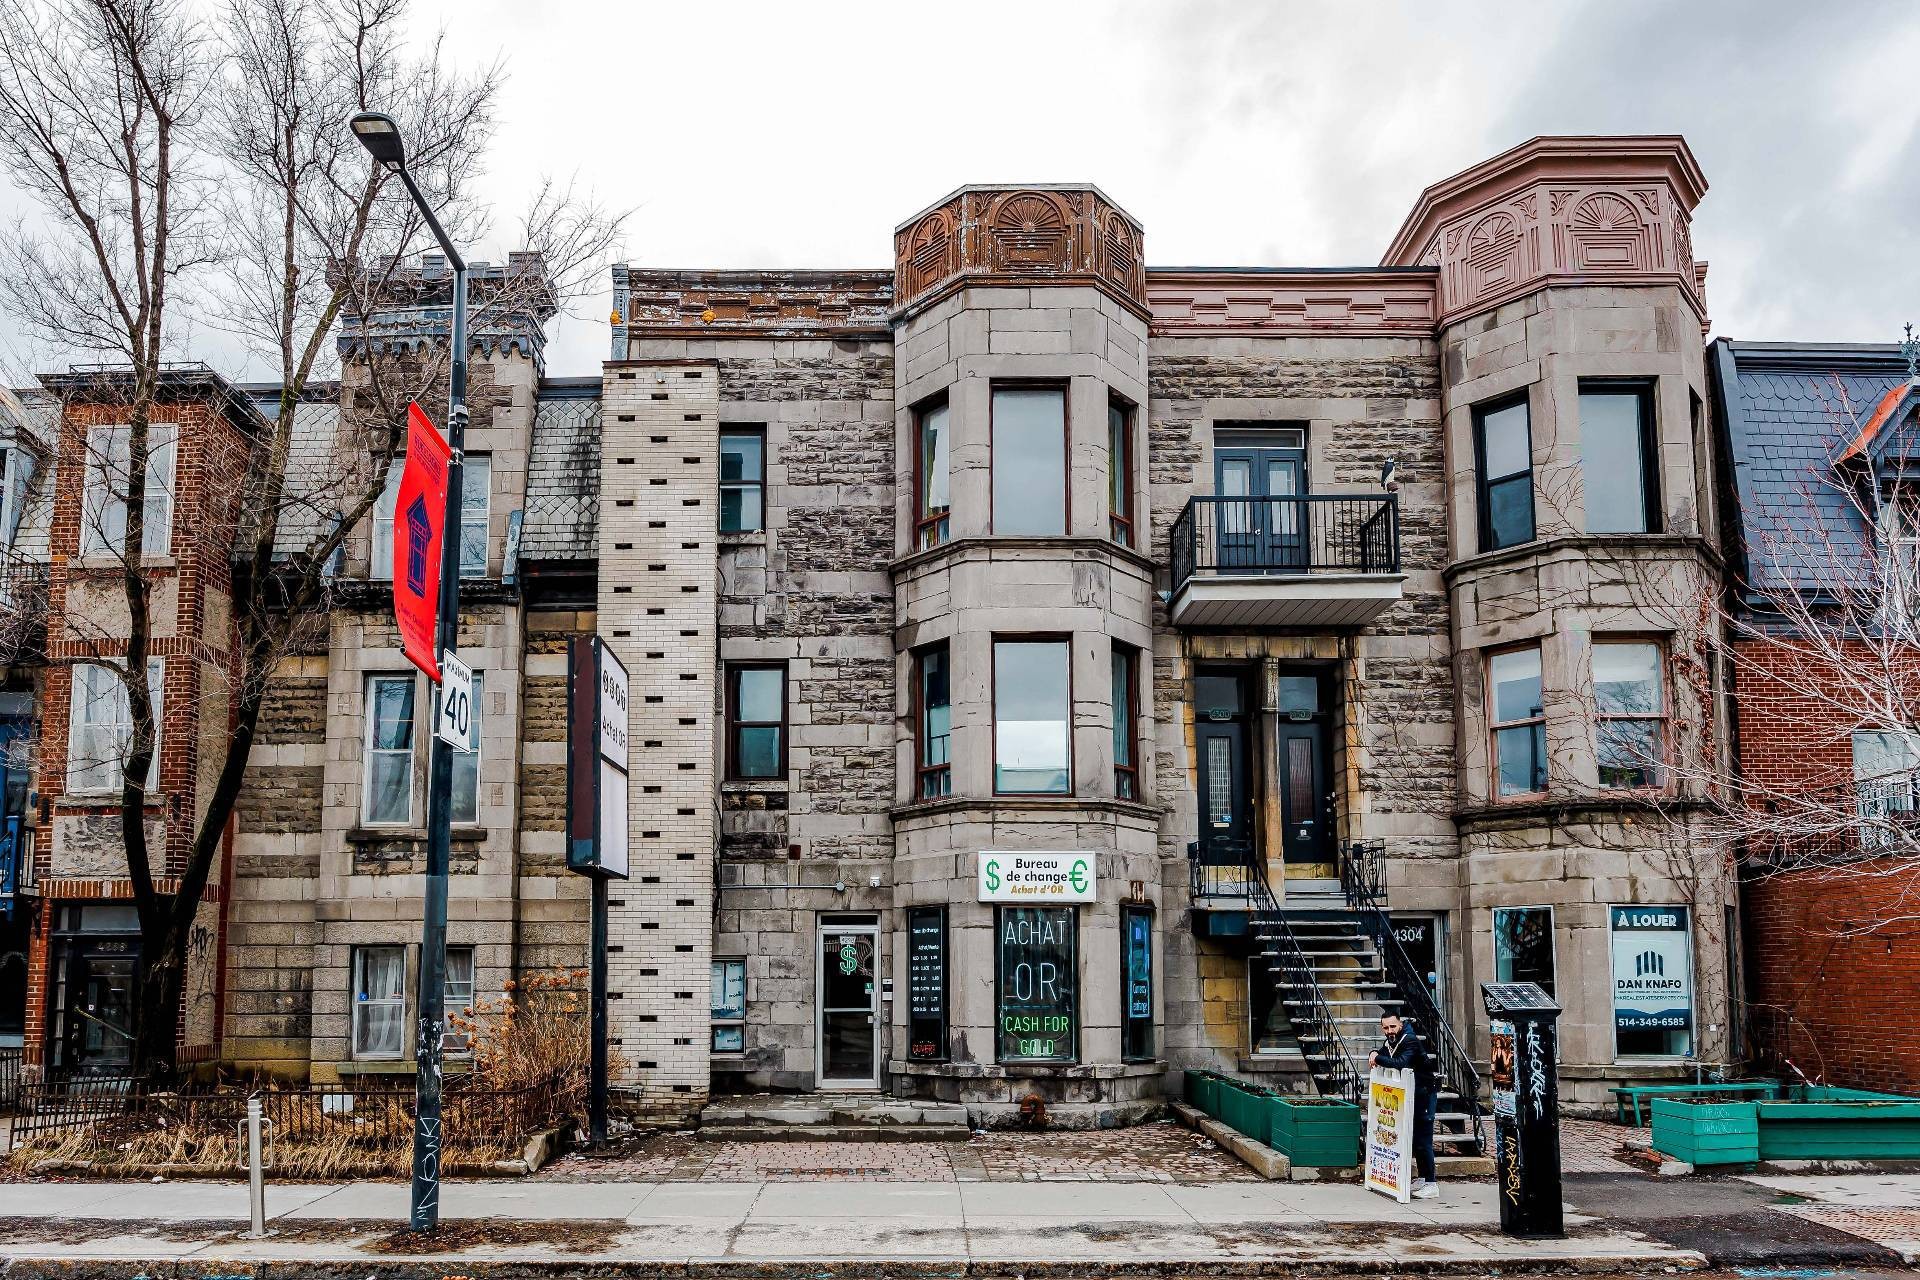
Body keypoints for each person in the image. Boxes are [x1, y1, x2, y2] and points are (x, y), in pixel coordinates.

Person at [1370, 1011, 1439, 1198]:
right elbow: (1384, 1053)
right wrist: (1374, 1053)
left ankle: (1432, 1183)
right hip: (1412, 1096)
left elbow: (1401, 1063)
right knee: (1415, 1138)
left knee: (1424, 1139)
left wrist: (1376, 1057)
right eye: (1386, 1027)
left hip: (1424, 1094)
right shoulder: (1391, 1042)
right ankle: (1424, 1178)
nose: (1390, 1030)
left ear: (1400, 1025)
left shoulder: (1409, 1040)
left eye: (1393, 1026)